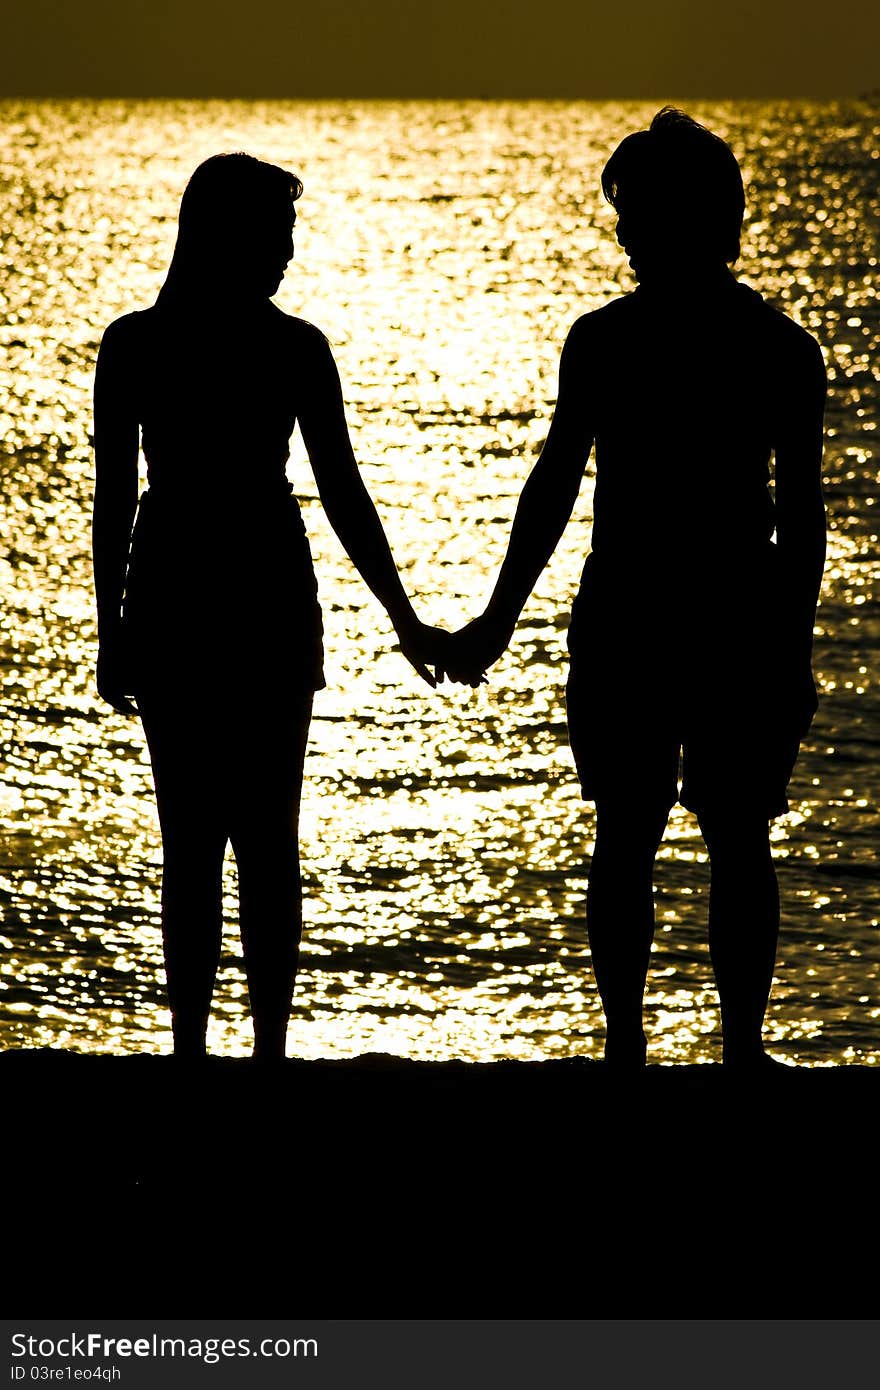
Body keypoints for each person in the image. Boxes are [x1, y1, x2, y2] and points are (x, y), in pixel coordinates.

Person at [442, 109, 826, 1069]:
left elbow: (558, 482)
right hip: (707, 612)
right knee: (709, 834)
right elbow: (561, 481)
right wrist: (790, 640)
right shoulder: (770, 346)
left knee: (664, 834)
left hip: (667, 614)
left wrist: (497, 619)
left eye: (636, 213)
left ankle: (654, 1050)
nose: (622, 232)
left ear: (684, 218)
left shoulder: (628, 342)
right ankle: (694, 1050)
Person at [93, 153, 443, 1061]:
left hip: (182, 592)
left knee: (208, 846)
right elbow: (342, 494)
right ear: (231, 234)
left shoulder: (141, 344)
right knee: (252, 843)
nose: (288, 250)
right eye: (276, 230)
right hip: (239, 595)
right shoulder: (285, 349)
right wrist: (404, 619)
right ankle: (252, 1054)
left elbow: (116, 503)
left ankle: (213, 1053)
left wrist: (112, 629)